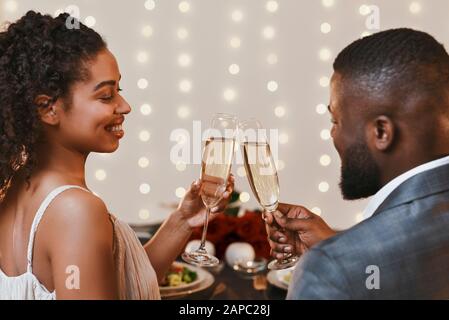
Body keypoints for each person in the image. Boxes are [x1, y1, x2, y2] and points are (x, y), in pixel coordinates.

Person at [0, 11, 234, 300]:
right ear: (48, 108)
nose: (124, 106)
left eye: (118, 90)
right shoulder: (76, 211)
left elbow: (117, 284)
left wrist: (183, 221)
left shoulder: (13, 188)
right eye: (106, 95)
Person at [266, 28, 449, 299]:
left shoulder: (326, 270)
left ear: (381, 133)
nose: (333, 134)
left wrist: (336, 260)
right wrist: (341, 246)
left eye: (335, 121)